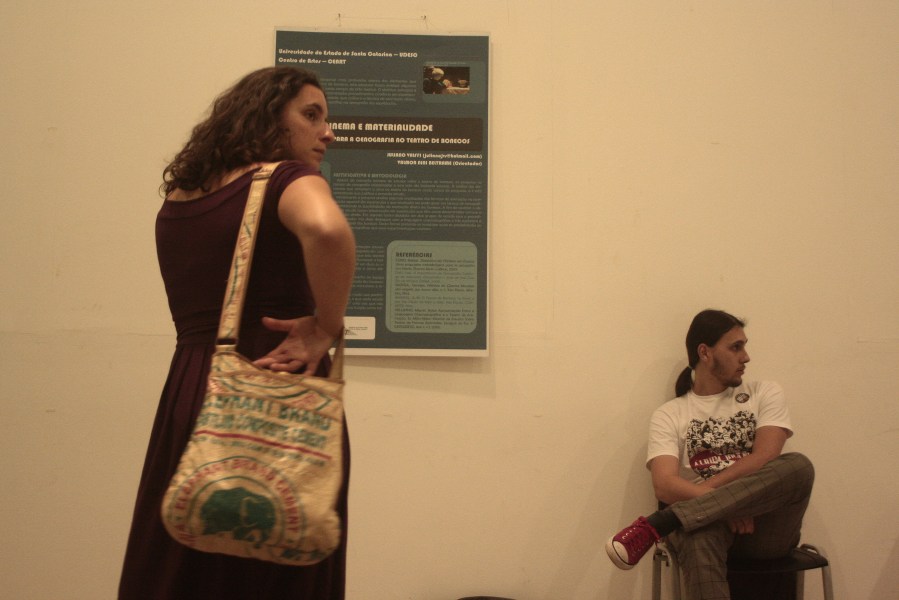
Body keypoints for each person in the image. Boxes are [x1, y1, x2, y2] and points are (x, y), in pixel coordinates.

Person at [118, 66, 356, 599]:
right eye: (311, 115)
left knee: (184, 559)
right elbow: (328, 230)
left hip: (192, 387)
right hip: (274, 385)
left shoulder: (180, 198)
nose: (328, 132)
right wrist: (326, 326)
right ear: (268, 116)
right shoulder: (288, 179)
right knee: (281, 552)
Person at [605, 309, 814, 600]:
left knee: (799, 467)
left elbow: (765, 456)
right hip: (705, 527)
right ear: (705, 352)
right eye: (735, 347)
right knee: (697, 536)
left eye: (744, 346)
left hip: (764, 529)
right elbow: (664, 485)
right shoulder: (670, 414)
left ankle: (664, 521)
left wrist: (709, 501)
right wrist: (725, 508)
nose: (746, 357)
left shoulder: (764, 393)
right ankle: (683, 518)